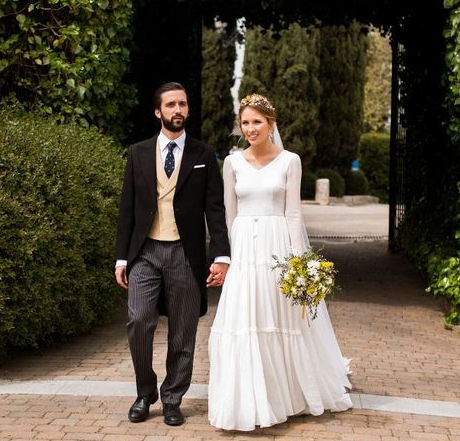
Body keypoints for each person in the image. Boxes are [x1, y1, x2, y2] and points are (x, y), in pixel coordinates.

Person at [207, 93, 352, 431]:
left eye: (257, 121)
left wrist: (300, 263)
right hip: (244, 250)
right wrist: (226, 258)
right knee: (245, 320)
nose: (250, 128)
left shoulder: (290, 161)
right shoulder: (232, 163)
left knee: (278, 318)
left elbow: (293, 213)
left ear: (271, 124)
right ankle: (245, 401)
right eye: (245, 122)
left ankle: (286, 396)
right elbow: (229, 214)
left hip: (276, 250)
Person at [115, 82, 231, 426]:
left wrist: (220, 255)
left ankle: (172, 398)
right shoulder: (137, 152)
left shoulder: (203, 154)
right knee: (138, 319)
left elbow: (215, 209)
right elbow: (127, 210)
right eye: (170, 105)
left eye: (182, 104)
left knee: (183, 331)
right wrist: (122, 258)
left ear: (188, 110)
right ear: (158, 112)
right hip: (145, 251)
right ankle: (144, 391)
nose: (177, 109)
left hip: (185, 253)